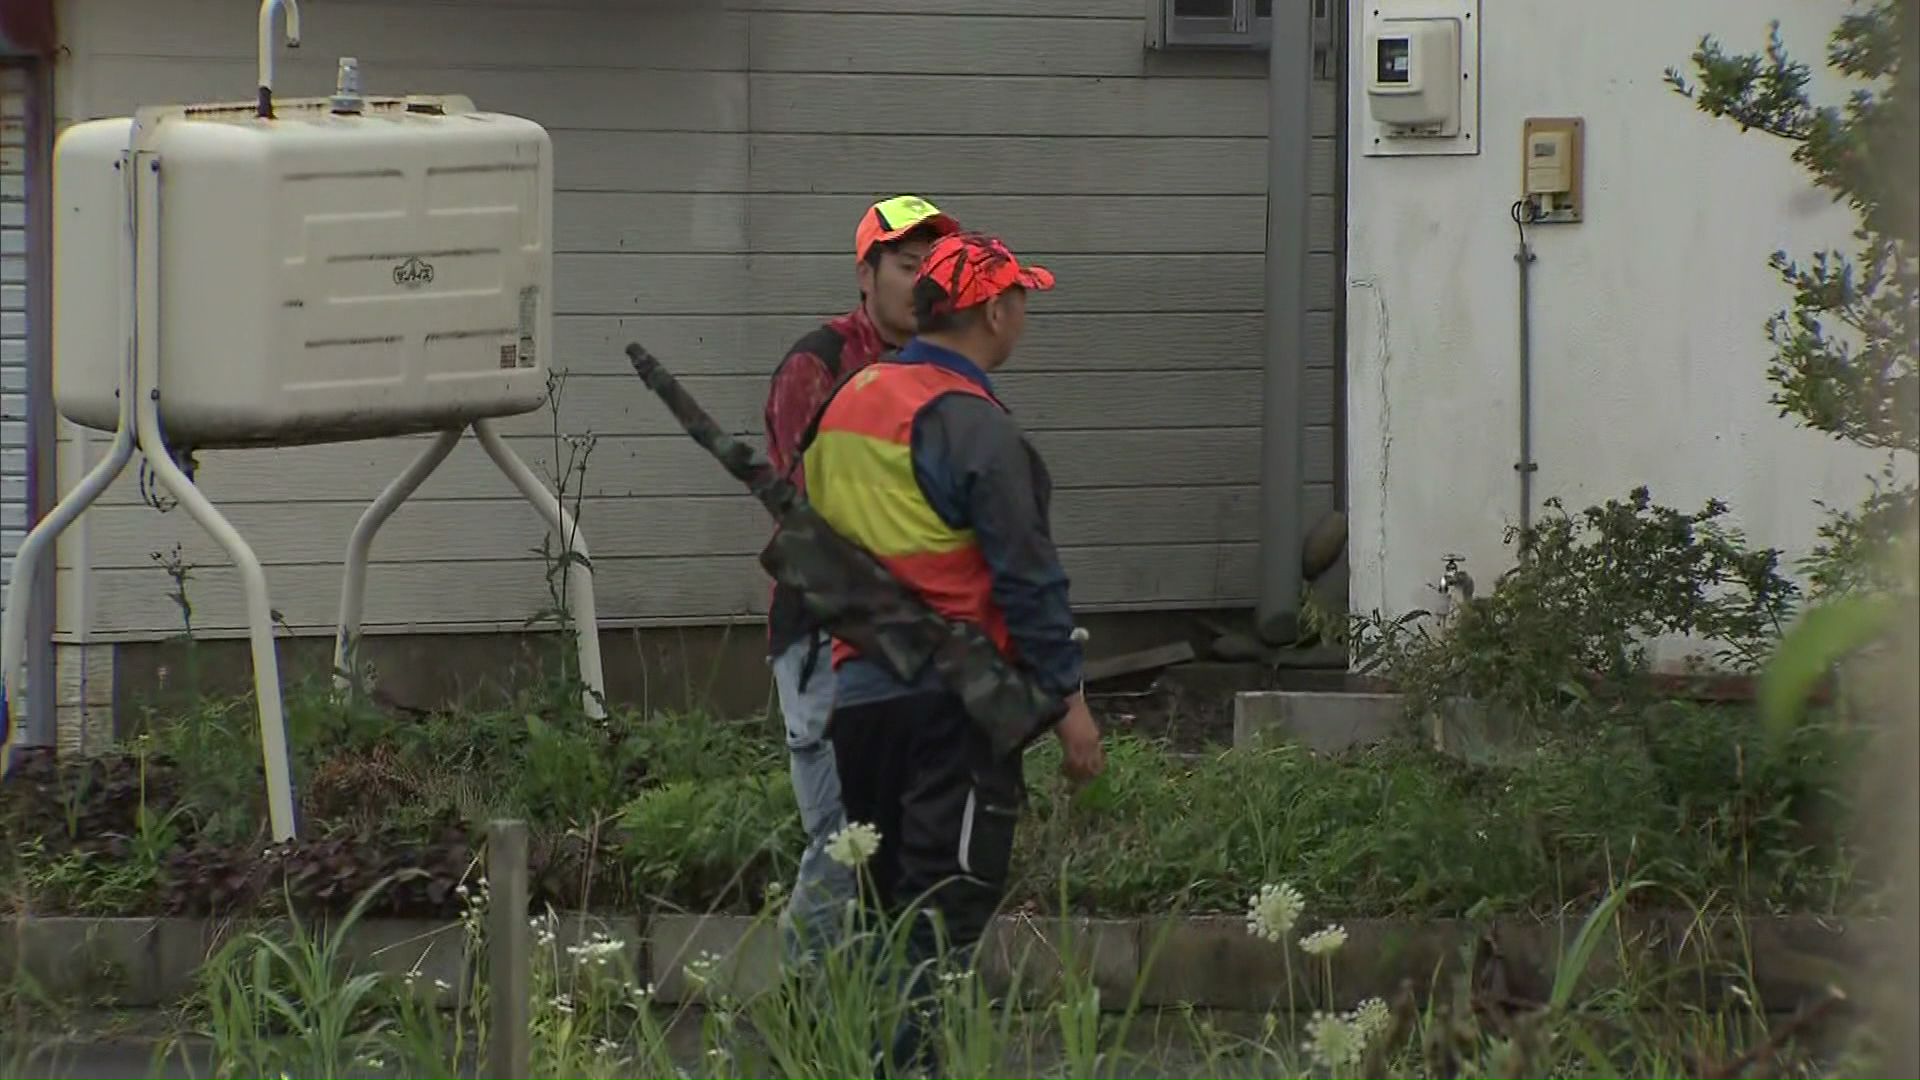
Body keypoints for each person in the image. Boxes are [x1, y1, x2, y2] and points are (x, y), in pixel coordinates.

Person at [801, 231, 1108, 1074]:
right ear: (994, 310)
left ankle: (864, 1060)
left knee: (883, 910)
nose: (1024, 319)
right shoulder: (970, 424)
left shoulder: (849, 401)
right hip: (957, 708)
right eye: (1023, 303)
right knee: (943, 906)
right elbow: (1028, 579)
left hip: (858, 696)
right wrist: (1069, 704)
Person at [764, 195, 963, 967]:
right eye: (907, 266)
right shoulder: (818, 363)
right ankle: (803, 1014)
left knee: (904, 842)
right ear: (867, 273)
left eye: (934, 270)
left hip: (919, 638)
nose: (922, 284)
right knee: (843, 834)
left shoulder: (944, 370)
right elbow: (803, 502)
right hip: (824, 629)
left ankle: (880, 1017)